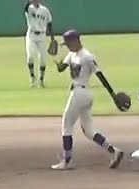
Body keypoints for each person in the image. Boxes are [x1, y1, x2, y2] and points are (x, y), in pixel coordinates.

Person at [51, 29, 127, 171]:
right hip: (83, 94)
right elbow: (62, 68)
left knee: (66, 125)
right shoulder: (71, 54)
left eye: (68, 43)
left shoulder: (87, 56)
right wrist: (56, 60)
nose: (67, 46)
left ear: (76, 41)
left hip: (80, 93)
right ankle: (114, 151)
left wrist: (112, 94)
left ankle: (66, 161)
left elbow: (100, 75)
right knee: (89, 131)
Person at [23, 0, 55, 88]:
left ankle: (41, 80)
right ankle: (32, 77)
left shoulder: (45, 10)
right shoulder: (29, 8)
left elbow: (49, 23)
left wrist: (52, 37)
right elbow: (25, 8)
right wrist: (29, 1)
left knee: (43, 60)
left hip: (42, 36)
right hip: (31, 36)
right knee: (30, 57)